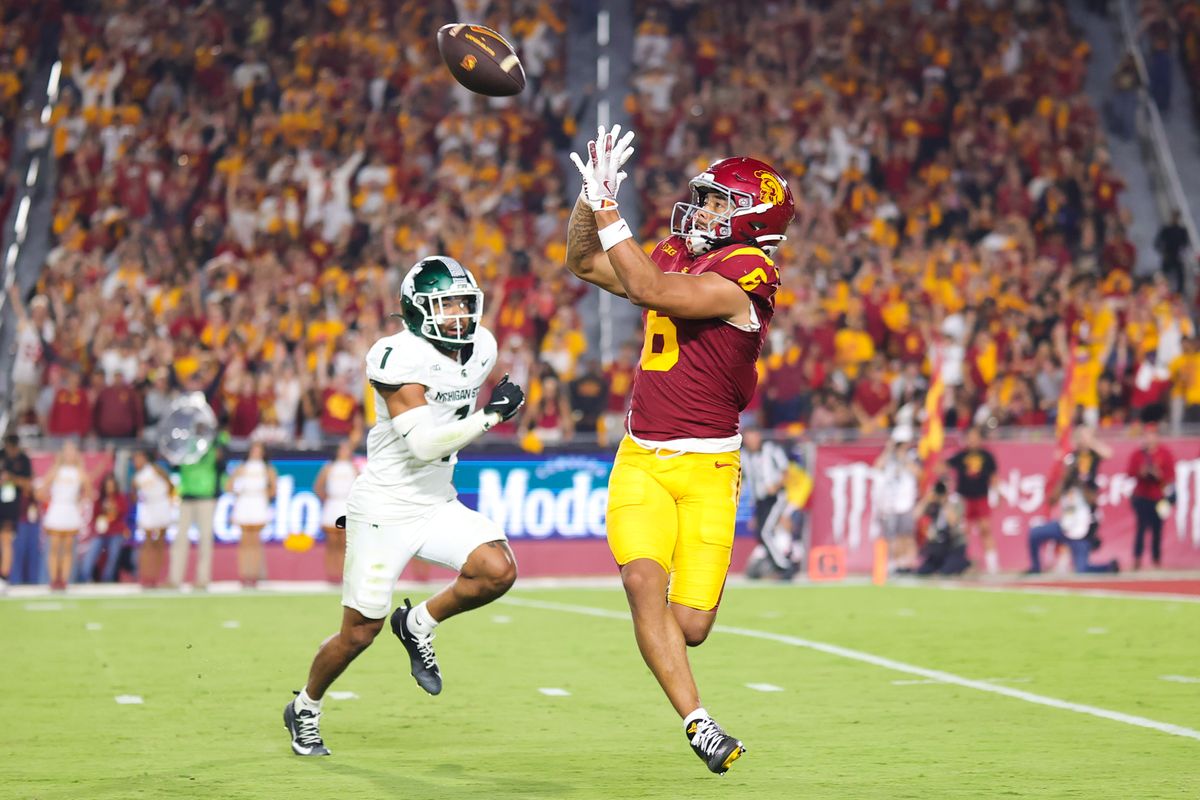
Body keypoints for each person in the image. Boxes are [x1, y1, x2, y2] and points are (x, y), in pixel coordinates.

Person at [565, 124, 794, 773]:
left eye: (721, 202)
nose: (705, 210)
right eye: (707, 198)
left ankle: (688, 697)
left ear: (752, 220)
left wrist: (611, 207)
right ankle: (699, 723)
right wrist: (590, 199)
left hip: (710, 468)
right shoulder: (675, 249)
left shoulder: (752, 271)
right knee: (643, 581)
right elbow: (583, 263)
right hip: (642, 457)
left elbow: (652, 291)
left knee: (690, 624)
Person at [284, 256, 524, 757]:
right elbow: (422, 445)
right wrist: (491, 416)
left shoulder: (481, 347)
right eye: (445, 304)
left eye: (463, 303)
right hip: (385, 508)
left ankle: (418, 623)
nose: (458, 315)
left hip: (436, 499)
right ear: (416, 311)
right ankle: (305, 706)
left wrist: (485, 414)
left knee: (496, 569)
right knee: (358, 633)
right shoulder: (396, 355)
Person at [168, 429, 228, 590]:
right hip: (187, 494)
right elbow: (173, 463)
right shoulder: (186, 441)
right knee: (180, 538)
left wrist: (217, 442)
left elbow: (223, 462)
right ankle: (175, 579)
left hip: (206, 495)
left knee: (205, 539)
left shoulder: (216, 442)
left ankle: (203, 579)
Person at [1025, 479, 1119, 574]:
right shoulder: (1072, 491)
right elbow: (1053, 500)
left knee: (1081, 570)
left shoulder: (1095, 511)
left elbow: (1091, 533)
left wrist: (1091, 542)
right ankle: (1035, 567)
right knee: (1035, 533)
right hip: (1062, 529)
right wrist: (1066, 480)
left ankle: (1108, 567)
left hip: (1079, 538)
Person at [944, 426, 1001, 574]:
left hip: (981, 497)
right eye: (970, 437)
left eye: (975, 436)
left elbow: (994, 477)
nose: (972, 440)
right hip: (964, 499)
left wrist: (997, 493)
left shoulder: (987, 456)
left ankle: (992, 564)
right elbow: (943, 467)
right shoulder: (961, 456)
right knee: (964, 532)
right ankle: (963, 562)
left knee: (985, 529)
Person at [740, 427, 794, 579]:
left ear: (759, 436)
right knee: (760, 533)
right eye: (748, 438)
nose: (751, 441)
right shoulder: (744, 455)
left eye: (753, 437)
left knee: (765, 532)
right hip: (760, 500)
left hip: (775, 497)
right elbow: (745, 480)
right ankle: (775, 563)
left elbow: (786, 472)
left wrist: (776, 486)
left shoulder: (771, 450)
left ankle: (784, 566)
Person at [39, 440, 91, 591]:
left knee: (68, 548)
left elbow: (88, 492)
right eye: (67, 451)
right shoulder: (55, 470)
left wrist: (78, 501)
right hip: (57, 509)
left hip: (71, 510)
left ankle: (64, 580)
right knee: (54, 547)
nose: (70, 454)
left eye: (72, 451)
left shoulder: (80, 472)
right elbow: (42, 489)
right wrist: (52, 500)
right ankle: (54, 579)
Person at [872, 431, 922, 574]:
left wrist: (904, 457)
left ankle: (909, 562)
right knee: (892, 536)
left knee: (907, 534)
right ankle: (896, 562)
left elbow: (918, 473)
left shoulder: (912, 455)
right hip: (891, 502)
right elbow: (877, 467)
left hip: (906, 501)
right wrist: (888, 449)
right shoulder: (889, 457)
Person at [1127, 425, 1175, 570]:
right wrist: (1141, 472)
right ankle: (1137, 559)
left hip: (1159, 496)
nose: (1148, 439)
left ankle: (1156, 559)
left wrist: (1158, 474)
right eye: (1146, 436)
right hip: (1142, 495)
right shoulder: (1138, 454)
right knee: (1141, 528)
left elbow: (1170, 476)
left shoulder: (1164, 453)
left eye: (1151, 435)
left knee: (1157, 529)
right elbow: (1130, 472)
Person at [230, 441, 277, 588]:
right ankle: (245, 574)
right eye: (254, 450)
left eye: (259, 450)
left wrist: (264, 495)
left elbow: (274, 489)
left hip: (258, 503)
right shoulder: (241, 468)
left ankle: (255, 574)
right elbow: (229, 486)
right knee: (244, 541)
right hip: (244, 503)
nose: (256, 453)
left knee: (255, 541)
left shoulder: (267, 469)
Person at [314, 440, 359, 584]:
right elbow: (318, 486)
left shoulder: (354, 468)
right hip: (333, 504)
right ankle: (331, 573)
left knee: (345, 543)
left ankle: (343, 574)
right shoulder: (329, 467)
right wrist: (327, 498)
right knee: (331, 542)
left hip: (347, 505)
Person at [132, 449, 174, 588]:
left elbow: (170, 485)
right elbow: (133, 496)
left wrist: (167, 500)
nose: (136, 462)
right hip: (148, 508)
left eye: (138, 458)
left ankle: (155, 576)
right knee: (147, 543)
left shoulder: (156, 470)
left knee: (159, 543)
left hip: (160, 506)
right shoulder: (136, 477)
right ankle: (145, 576)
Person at [80, 473, 130, 583]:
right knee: (91, 554)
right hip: (101, 533)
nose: (110, 489)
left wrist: (113, 509)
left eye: (112, 486)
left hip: (115, 532)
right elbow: (95, 516)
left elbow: (122, 512)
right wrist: (100, 522)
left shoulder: (119, 498)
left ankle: (107, 580)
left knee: (113, 556)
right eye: (108, 486)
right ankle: (86, 578)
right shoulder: (100, 499)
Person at [0, 433, 33, 590]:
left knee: (6, 541)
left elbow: (28, 485)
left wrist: (11, 478)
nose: (11, 451)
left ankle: (3, 578)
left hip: (10, 507)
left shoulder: (23, 460)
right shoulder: (1, 455)